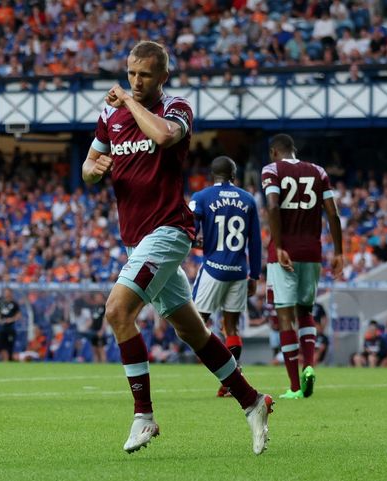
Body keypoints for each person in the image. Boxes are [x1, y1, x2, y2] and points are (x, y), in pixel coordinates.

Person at [82, 40, 273, 455]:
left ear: (162, 77)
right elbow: (88, 165)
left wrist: (130, 104)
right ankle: (253, 400)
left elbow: (165, 136)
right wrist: (94, 170)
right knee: (192, 330)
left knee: (117, 311)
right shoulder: (108, 115)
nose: (135, 81)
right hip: (137, 239)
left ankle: (143, 417)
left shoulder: (176, 109)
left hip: (169, 230)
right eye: (131, 73)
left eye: (144, 75)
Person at [262, 133, 343, 399]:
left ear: (275, 152)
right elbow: (332, 212)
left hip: (284, 253)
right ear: (293, 150)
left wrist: (281, 245)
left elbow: (273, 206)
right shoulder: (318, 171)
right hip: (312, 251)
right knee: (306, 310)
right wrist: (339, 252)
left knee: (285, 317)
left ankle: (295, 386)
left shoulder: (272, 170)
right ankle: (309, 365)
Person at [188, 155, 262, 397]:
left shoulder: (202, 197)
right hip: (239, 271)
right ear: (234, 175)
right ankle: (232, 381)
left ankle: (225, 373)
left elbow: (189, 226)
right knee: (231, 327)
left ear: (212, 175)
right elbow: (256, 242)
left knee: (195, 324)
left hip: (213, 267)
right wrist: (254, 275)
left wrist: (195, 240)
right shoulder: (248, 199)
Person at [0, 288, 21, 362]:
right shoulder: (1, 303)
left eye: (7, 292)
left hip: (11, 328)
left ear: (11, 293)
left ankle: (9, 359)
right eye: (5, 292)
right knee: (1, 344)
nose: (6, 294)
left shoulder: (14, 303)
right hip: (2, 328)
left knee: (10, 344)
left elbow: (18, 315)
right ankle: (4, 359)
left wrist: (11, 320)